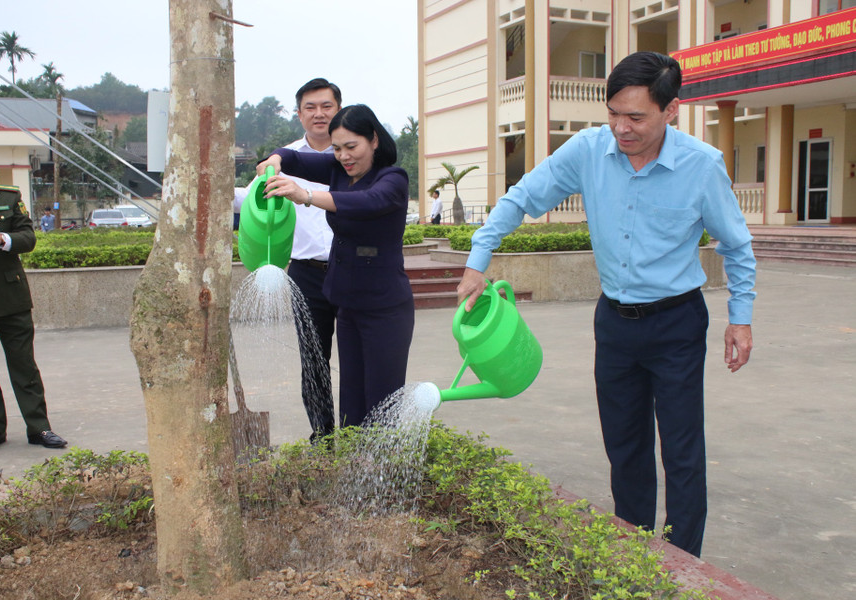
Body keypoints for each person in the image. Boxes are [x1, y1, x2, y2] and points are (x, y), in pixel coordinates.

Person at [456, 52, 756, 558]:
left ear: (671, 110)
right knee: (624, 448)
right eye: (613, 113)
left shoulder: (701, 166)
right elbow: (521, 198)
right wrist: (478, 257)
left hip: (677, 323)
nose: (622, 127)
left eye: (636, 117)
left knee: (681, 452)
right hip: (615, 323)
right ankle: (634, 556)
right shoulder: (589, 150)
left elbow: (737, 246)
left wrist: (740, 319)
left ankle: (682, 563)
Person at [258, 104, 414, 428]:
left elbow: (369, 202)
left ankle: (383, 472)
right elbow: (295, 158)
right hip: (347, 303)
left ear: (373, 140)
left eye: (351, 147)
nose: (344, 156)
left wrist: (306, 195)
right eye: (338, 148)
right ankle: (350, 469)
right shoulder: (337, 170)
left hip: (385, 307)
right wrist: (275, 159)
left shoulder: (392, 179)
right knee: (352, 401)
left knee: (382, 401)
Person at [0, 136, 68, 453]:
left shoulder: (8, 196)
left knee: (24, 366)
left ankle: (39, 427)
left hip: (11, 300)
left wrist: (3, 238)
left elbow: (28, 237)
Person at [246, 78, 342, 440]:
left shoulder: (353, 155)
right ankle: (323, 435)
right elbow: (255, 201)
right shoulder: (278, 161)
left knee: (358, 358)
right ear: (299, 113)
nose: (319, 114)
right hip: (306, 274)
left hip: (351, 270)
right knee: (314, 361)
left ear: (338, 109)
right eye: (311, 107)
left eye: (327, 106)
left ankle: (354, 434)